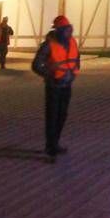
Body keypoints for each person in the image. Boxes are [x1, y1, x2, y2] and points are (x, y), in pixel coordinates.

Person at [35, 15, 80, 161]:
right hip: (53, 85)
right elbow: (36, 65)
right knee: (52, 116)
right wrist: (48, 74)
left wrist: (74, 73)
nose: (68, 32)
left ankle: (55, 142)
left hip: (67, 84)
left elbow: (76, 59)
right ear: (59, 30)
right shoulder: (49, 45)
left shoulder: (72, 42)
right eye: (65, 30)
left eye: (69, 30)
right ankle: (51, 146)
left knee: (62, 115)